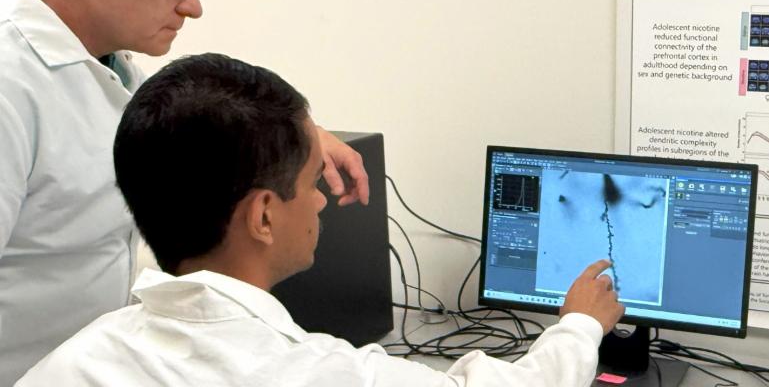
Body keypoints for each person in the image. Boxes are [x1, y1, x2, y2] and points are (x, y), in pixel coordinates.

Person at [16, 53, 625, 387]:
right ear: (262, 216)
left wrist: (297, 136)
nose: (319, 200)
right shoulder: (307, 371)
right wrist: (577, 326)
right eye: (310, 183)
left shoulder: (70, 362)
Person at [0, 0, 367, 385]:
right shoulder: (11, 86)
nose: (192, 6)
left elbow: (185, 130)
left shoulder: (106, 65)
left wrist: (294, 138)